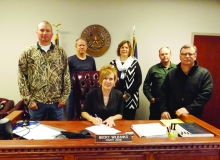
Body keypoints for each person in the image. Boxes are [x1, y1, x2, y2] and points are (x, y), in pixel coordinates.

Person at [18, 21, 71, 121]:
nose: (44, 33)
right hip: (36, 104)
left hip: (56, 104)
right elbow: (22, 77)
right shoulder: (28, 52)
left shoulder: (60, 52)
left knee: (57, 133)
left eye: (47, 30)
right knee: (36, 134)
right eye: (41, 30)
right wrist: (29, 101)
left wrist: (64, 98)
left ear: (52, 34)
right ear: (37, 32)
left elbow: (66, 75)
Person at [160, 44, 213, 119]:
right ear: (180, 57)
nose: (187, 56)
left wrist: (188, 109)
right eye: (184, 54)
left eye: (190, 54)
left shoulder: (204, 74)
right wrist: (164, 110)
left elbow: (205, 95)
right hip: (171, 115)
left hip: (193, 116)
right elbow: (163, 93)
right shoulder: (171, 74)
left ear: (195, 56)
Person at [110, 40, 142, 120]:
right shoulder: (113, 63)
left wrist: (128, 94)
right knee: (116, 121)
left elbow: (138, 80)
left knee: (128, 121)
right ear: (119, 49)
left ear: (129, 50)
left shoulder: (134, 63)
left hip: (131, 97)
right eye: (122, 47)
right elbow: (109, 79)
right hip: (115, 97)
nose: (124, 49)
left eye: (126, 48)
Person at [143, 47, 176, 120]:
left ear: (170, 55)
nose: (165, 56)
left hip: (172, 103)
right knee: (154, 124)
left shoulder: (177, 69)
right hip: (156, 103)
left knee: (171, 126)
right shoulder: (153, 69)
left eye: (166, 54)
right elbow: (146, 85)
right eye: (162, 54)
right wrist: (150, 97)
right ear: (159, 56)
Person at [67, 38, 96, 120]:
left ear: (86, 47)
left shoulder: (91, 60)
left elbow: (94, 75)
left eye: (84, 45)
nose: (82, 47)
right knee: (72, 112)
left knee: (88, 112)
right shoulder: (70, 60)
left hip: (88, 92)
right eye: (80, 45)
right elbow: (66, 76)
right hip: (74, 91)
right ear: (76, 46)